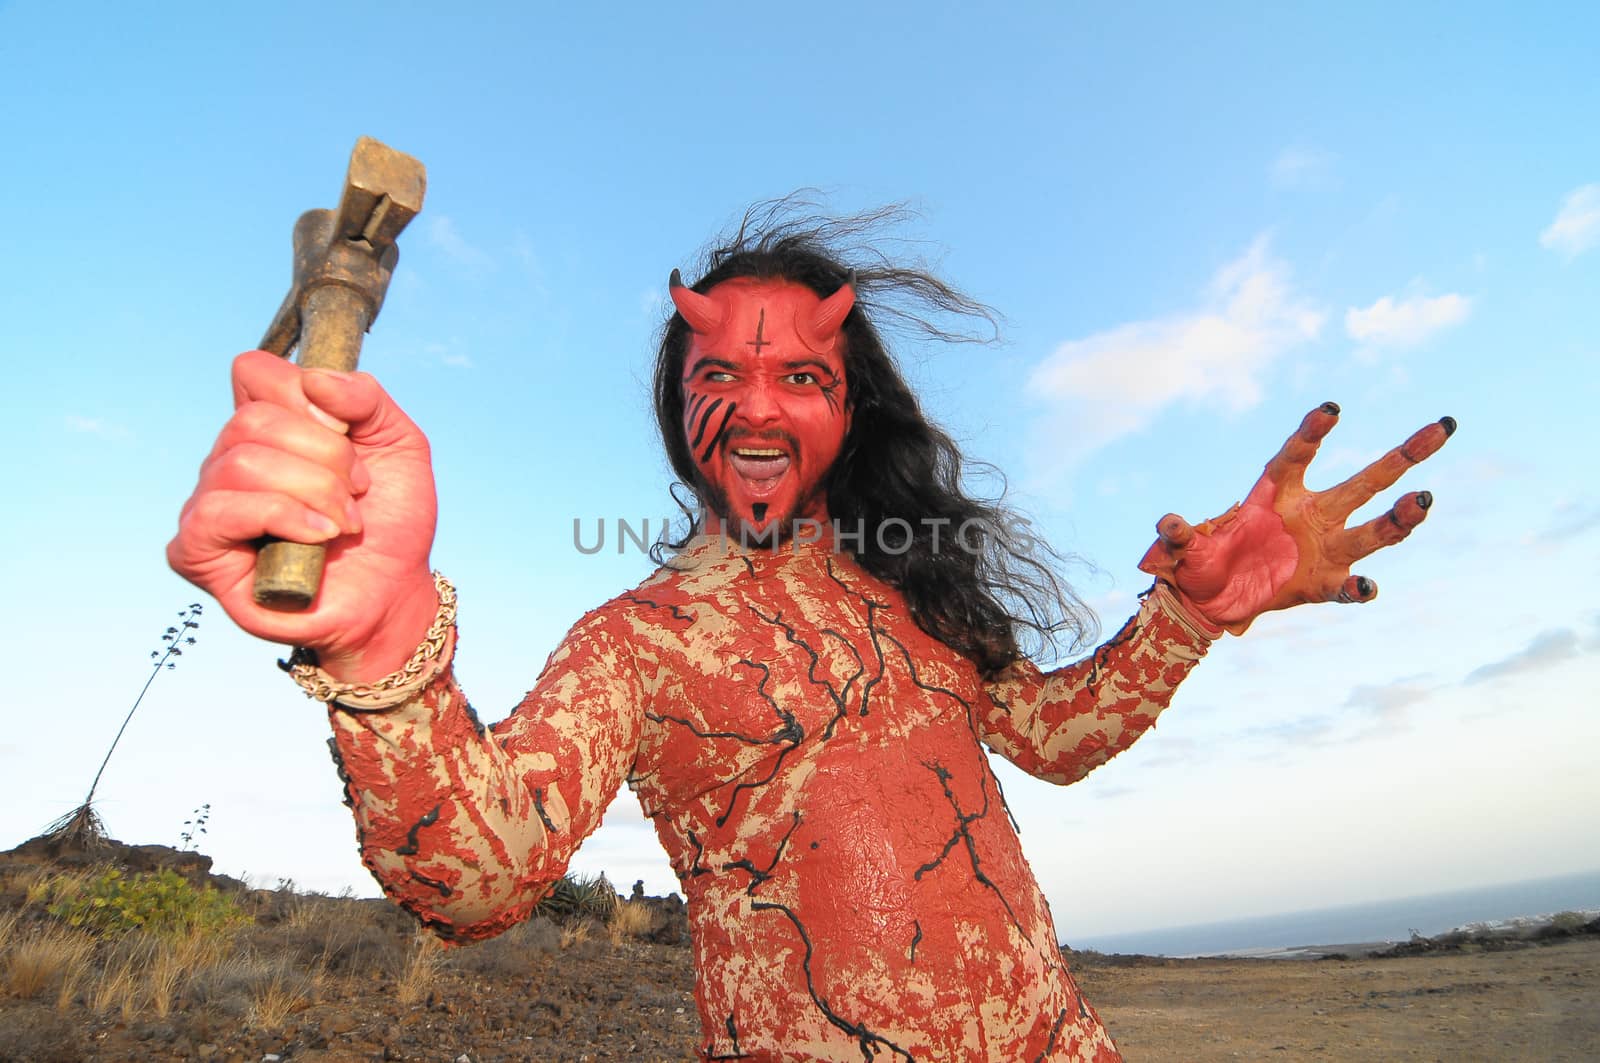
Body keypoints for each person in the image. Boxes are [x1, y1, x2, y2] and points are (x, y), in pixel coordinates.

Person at [169, 208, 1452, 1061]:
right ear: (681, 414)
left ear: (851, 403)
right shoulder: (638, 642)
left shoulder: (915, 594)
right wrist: (381, 638)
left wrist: (1187, 614)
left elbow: (1056, 737)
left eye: (798, 375)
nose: (759, 407)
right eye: (716, 375)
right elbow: (474, 877)